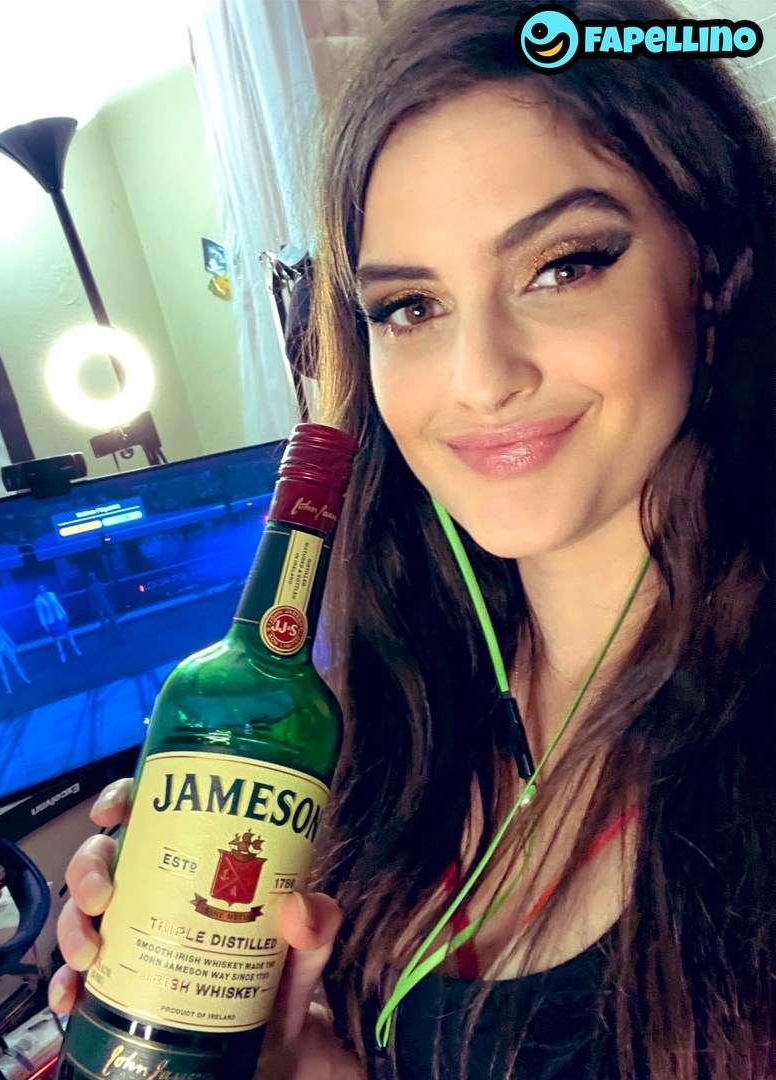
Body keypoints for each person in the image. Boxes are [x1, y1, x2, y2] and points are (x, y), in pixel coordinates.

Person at [49, 1, 775, 1077]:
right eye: (409, 308)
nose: (479, 379)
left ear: (714, 276)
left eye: (565, 264)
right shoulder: (404, 698)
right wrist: (297, 1056)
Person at [34, 584, 82, 662]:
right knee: (56, 638)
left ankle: (76, 649)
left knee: (68, 634)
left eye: (42, 587)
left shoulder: (51, 594)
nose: (41, 589)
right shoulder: (37, 600)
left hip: (59, 617)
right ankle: (62, 654)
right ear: (38, 589)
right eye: (39, 588)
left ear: (45, 588)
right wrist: (44, 625)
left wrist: (64, 614)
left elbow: (58, 605)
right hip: (51, 621)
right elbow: (40, 614)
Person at [85, 572, 120, 638]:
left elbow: (91, 600)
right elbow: (107, 594)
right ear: (95, 577)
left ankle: (108, 635)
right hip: (106, 603)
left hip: (98, 606)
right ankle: (118, 631)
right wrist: (112, 602)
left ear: (89, 579)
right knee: (112, 618)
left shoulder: (89, 588)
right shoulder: (101, 584)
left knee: (103, 621)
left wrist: (92, 610)